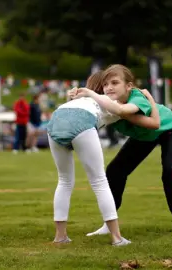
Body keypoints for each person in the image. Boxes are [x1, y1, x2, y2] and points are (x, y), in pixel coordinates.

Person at [47, 71, 160, 246]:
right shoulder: (114, 102)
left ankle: (60, 237)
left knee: (64, 180)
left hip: (56, 118)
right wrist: (149, 98)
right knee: (99, 181)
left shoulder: (82, 98)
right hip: (82, 121)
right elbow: (152, 123)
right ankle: (116, 237)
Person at [81, 64, 172, 239]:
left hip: (168, 129)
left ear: (129, 86)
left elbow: (125, 111)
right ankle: (108, 223)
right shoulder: (107, 105)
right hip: (144, 137)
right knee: (114, 171)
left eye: (115, 82)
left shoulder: (137, 97)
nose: (109, 87)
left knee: (170, 170)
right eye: (105, 84)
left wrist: (93, 95)